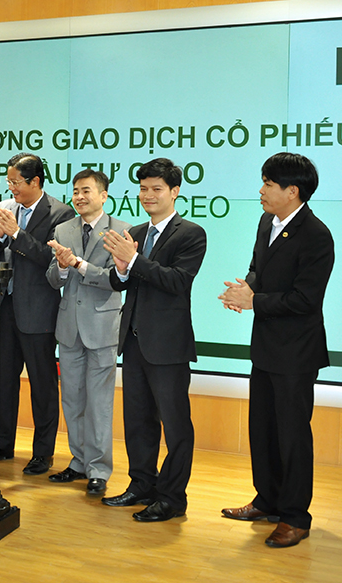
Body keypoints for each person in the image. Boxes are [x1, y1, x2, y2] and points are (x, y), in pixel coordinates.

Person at [218, 152, 334, 548]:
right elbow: (258, 268)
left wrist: (255, 302)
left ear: (292, 191)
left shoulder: (316, 235)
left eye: (268, 184)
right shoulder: (267, 221)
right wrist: (244, 288)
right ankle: (267, 500)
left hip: (296, 354)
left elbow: (306, 299)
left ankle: (296, 517)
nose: (261, 191)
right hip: (266, 347)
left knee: (292, 436)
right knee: (263, 429)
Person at [101, 157, 206, 522]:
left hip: (168, 345)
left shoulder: (190, 233)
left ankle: (172, 497)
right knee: (138, 421)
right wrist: (121, 267)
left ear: (174, 192)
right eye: (143, 189)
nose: (148, 195)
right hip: (133, 342)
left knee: (175, 426)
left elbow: (177, 281)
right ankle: (141, 484)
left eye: (156, 189)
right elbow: (120, 282)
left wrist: (133, 260)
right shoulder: (136, 232)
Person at [0, 152, 75, 475]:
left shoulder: (60, 213)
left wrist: (16, 234)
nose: (11, 188)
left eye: (16, 182)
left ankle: (43, 453)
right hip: (4, 307)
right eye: (8, 182)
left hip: (39, 310)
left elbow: (50, 259)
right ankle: (1, 444)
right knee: (3, 381)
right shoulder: (5, 208)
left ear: (35, 181)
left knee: (42, 385)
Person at [46, 169, 130, 495]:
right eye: (76, 191)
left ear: (104, 196)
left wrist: (78, 264)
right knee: (72, 400)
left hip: (102, 327)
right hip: (69, 327)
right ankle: (78, 461)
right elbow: (53, 279)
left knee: (99, 403)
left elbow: (115, 279)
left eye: (86, 191)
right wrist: (62, 267)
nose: (79, 197)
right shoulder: (63, 229)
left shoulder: (121, 231)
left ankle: (99, 469)